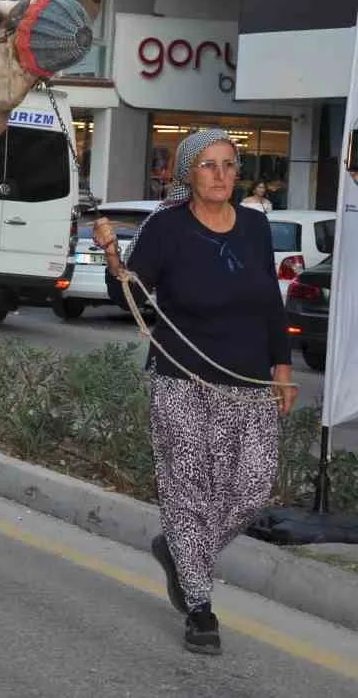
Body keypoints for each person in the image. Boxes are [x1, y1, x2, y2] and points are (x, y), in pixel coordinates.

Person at [92, 128, 295, 657]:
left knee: (251, 488)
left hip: (249, 384)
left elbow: (271, 304)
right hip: (182, 378)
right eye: (209, 165)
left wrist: (281, 366)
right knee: (188, 492)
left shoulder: (254, 226)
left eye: (230, 164)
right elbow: (127, 289)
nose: (222, 174)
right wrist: (112, 254)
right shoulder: (166, 227)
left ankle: (179, 550)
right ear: (188, 173)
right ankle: (200, 610)